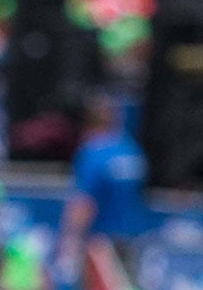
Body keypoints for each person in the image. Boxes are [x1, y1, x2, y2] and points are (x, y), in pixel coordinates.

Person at [59, 93, 150, 260]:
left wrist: (69, 242)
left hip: (100, 244)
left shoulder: (93, 152)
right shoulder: (132, 150)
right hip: (133, 240)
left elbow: (84, 202)